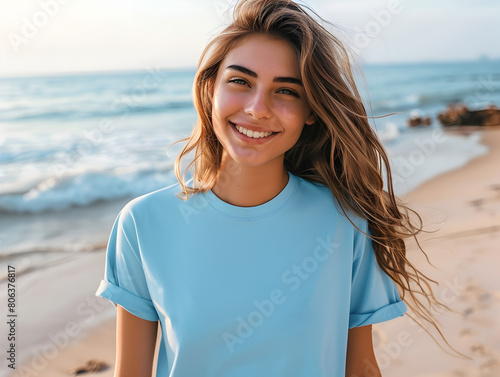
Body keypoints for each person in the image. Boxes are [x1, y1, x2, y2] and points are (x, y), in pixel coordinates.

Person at [95, 0, 445, 376]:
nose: (258, 108)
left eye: (287, 91)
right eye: (240, 81)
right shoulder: (143, 224)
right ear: (211, 88)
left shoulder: (346, 222)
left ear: (311, 110)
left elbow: (360, 366)